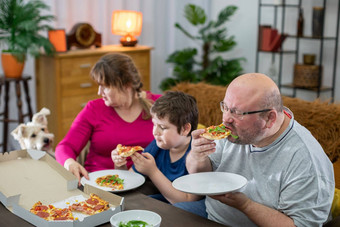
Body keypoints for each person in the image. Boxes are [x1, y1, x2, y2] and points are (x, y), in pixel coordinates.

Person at [176, 73, 335, 226]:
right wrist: (197, 156)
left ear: (269, 118)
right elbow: (201, 173)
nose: (226, 119)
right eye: (225, 107)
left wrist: (245, 205)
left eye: (237, 112)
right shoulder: (234, 130)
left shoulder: (305, 160)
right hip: (210, 214)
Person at [55, 53, 161, 184]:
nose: (99, 92)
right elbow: (65, 146)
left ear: (126, 85)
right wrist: (69, 162)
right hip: (98, 183)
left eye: (105, 86)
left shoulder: (159, 105)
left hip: (147, 184)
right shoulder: (93, 109)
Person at [112, 91, 201, 204]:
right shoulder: (158, 145)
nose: (155, 132)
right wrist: (120, 164)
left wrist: (152, 172)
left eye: (163, 127)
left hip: (183, 210)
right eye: (154, 124)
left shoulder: (197, 153)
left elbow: (188, 201)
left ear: (185, 129)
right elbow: (129, 180)